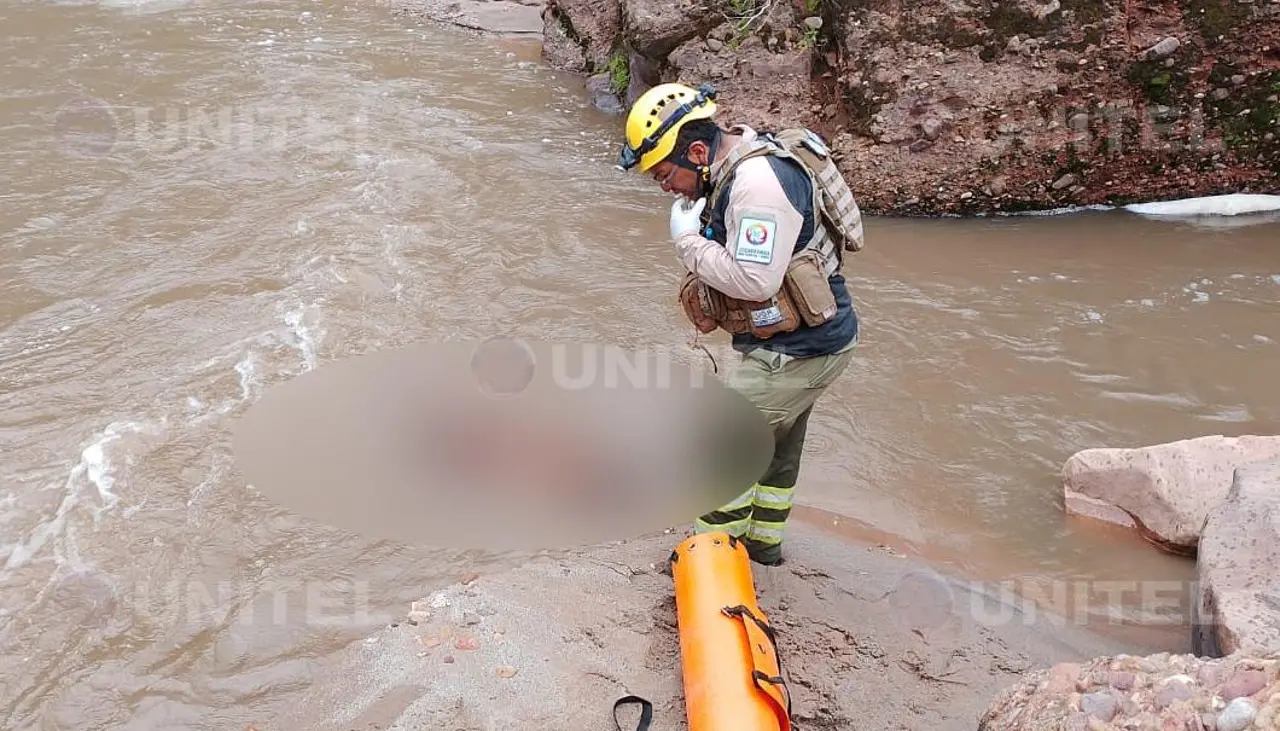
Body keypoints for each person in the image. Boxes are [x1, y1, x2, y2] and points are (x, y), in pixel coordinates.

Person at [616, 81, 862, 566]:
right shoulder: (737, 167)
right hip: (807, 340)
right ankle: (761, 546)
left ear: (700, 150)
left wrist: (688, 243)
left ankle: (711, 561)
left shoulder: (757, 185)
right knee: (775, 449)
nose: (665, 187)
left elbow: (754, 282)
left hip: (799, 350)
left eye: (665, 174)